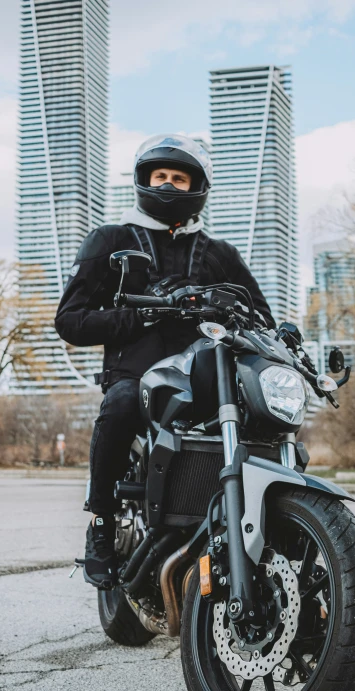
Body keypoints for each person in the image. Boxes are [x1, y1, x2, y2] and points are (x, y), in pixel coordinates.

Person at [55, 134, 275, 589]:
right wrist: (138, 315)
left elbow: (262, 316)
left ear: (196, 186)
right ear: (144, 181)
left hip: (212, 378)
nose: (170, 185)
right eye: (162, 177)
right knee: (117, 407)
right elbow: (71, 320)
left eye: (180, 178)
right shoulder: (110, 240)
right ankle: (102, 522)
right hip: (136, 376)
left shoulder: (220, 254)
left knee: (267, 413)